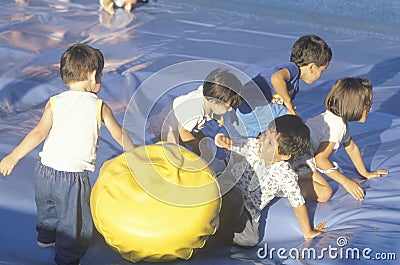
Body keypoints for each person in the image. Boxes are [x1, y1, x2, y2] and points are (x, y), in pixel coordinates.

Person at [0, 43, 135, 265]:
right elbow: (119, 135)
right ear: (92, 75)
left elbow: (38, 132)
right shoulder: (99, 106)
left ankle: (46, 237)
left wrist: (14, 156)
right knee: (74, 224)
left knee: (47, 208)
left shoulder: (55, 102)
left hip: (43, 172)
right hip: (71, 179)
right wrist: (136, 154)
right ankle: (67, 259)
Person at [214, 115, 327, 246]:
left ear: (285, 155)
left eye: (269, 142)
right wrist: (223, 140)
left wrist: (308, 232)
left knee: (251, 239)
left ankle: (219, 231)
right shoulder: (254, 145)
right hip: (232, 189)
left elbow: (297, 203)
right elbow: (232, 143)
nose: (261, 141)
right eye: (264, 135)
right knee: (221, 183)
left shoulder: (285, 174)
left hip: (248, 210)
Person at [303, 77, 388, 201]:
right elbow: (320, 160)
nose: (370, 109)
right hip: (296, 161)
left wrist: (365, 173)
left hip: (297, 157)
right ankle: (284, 185)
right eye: (367, 105)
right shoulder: (337, 126)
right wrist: (346, 182)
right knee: (325, 193)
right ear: (354, 105)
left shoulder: (335, 119)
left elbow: (351, 147)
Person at [234, 34, 332, 138]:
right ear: (312, 67)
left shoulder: (293, 82)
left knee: (254, 139)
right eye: (321, 70)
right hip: (254, 106)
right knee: (291, 121)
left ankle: (241, 144)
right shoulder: (292, 69)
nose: (321, 74)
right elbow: (276, 78)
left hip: (242, 113)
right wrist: (288, 103)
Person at [147, 68, 243, 158]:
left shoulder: (207, 95)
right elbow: (183, 132)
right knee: (178, 153)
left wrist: (217, 116)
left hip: (182, 123)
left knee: (204, 142)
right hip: (167, 127)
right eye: (227, 107)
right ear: (213, 101)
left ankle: (199, 156)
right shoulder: (196, 109)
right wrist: (199, 147)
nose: (230, 110)